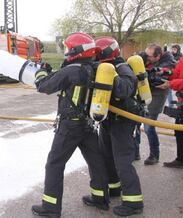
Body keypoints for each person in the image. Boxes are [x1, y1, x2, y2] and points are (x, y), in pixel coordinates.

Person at [31, 32, 108, 218]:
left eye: (67, 48)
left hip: (70, 126)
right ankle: (100, 198)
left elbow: (43, 86)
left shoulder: (72, 70)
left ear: (75, 51)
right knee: (95, 160)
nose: (65, 51)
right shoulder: (95, 68)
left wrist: (41, 70)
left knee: (54, 164)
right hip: (88, 125)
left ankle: (50, 208)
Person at [82, 36, 144, 216]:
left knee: (123, 160)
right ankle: (114, 188)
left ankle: (134, 202)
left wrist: (110, 76)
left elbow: (125, 89)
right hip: (108, 119)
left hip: (123, 121)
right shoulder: (102, 67)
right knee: (106, 156)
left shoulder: (122, 67)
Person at [139, 44, 176, 165]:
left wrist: (148, 72)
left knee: (149, 126)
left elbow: (157, 77)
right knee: (136, 123)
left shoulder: (168, 63)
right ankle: (135, 152)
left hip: (157, 96)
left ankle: (154, 155)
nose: (147, 58)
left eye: (149, 56)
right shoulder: (147, 59)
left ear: (158, 56)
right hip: (144, 93)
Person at [156, 49, 183, 178]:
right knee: (180, 131)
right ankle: (182, 159)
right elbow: (177, 72)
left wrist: (171, 84)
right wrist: (165, 73)